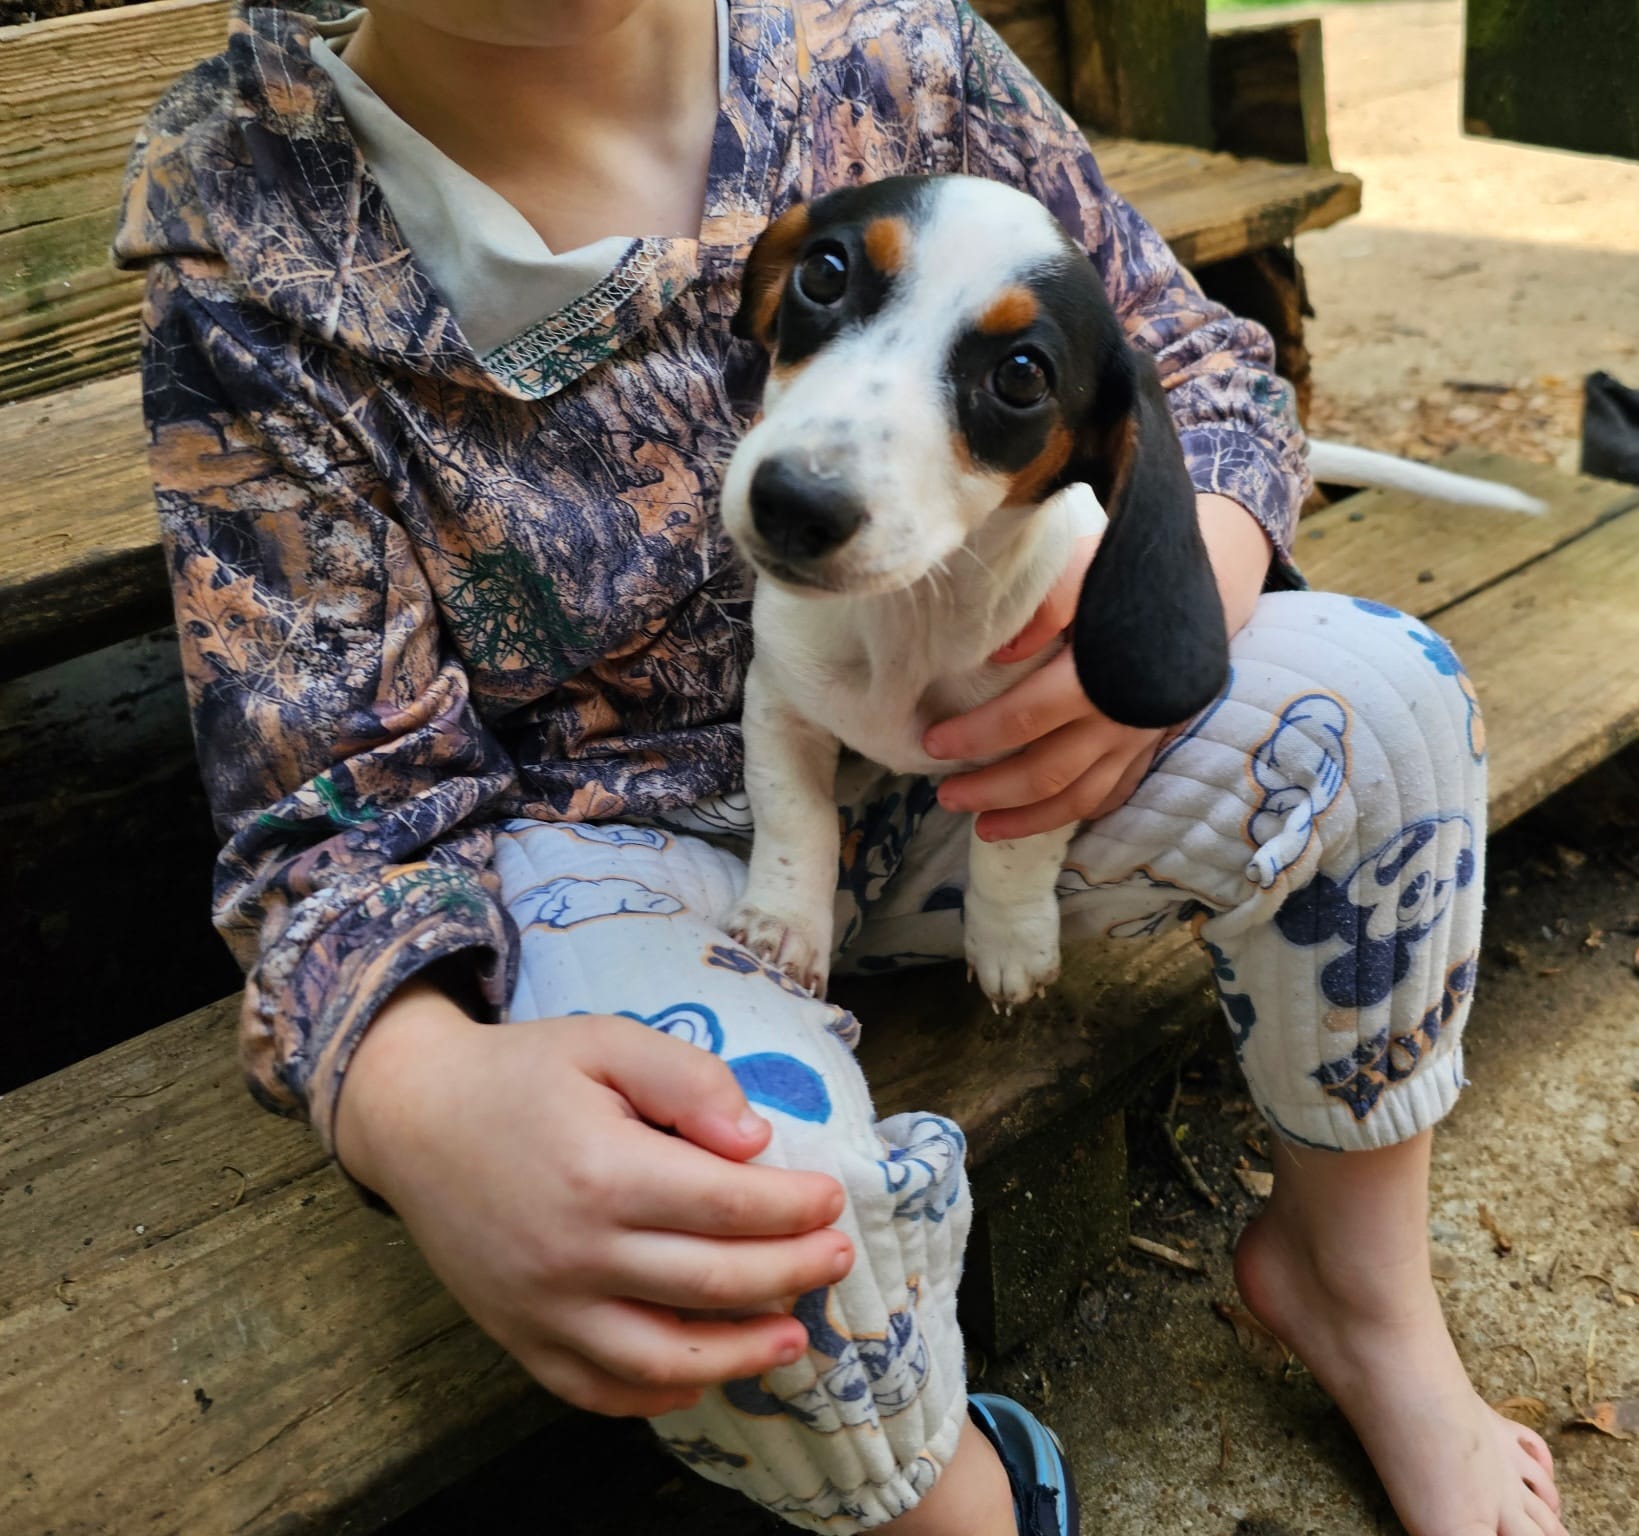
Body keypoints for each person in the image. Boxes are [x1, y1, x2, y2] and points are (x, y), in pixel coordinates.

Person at [116, 2, 1565, 1532]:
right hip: (615, 859)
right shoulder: (247, 209)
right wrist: (411, 1100)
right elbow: (325, 807)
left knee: (1391, 704)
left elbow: (1196, 374)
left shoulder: (893, 54)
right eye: (819, 291)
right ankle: (950, 1500)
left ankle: (1357, 1291)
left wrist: (1152, 630)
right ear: (780, 282)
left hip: (996, 771)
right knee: (725, 1213)